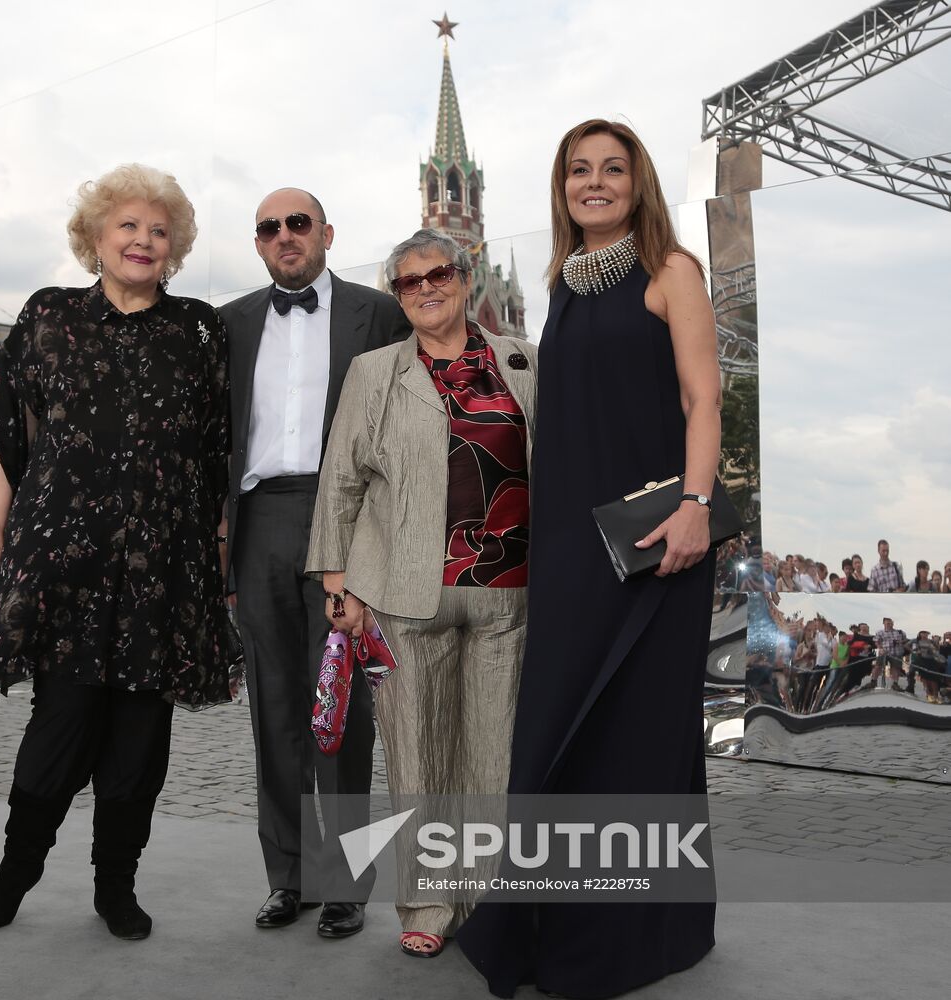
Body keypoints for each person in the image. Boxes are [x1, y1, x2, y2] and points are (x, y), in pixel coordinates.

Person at [458, 119, 721, 998]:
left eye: (613, 169)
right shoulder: (560, 286)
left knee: (641, 734)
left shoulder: (671, 272)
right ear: (562, 185)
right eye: (579, 170)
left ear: (637, 182)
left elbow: (701, 397)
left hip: (656, 541)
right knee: (555, 728)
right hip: (573, 544)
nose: (595, 183)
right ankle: (545, 921)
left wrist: (694, 507)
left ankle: (627, 938)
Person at [0, 163, 235, 941]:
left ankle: (117, 888)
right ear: (95, 238)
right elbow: (2, 431)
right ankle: (15, 874)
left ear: (173, 248)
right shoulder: (48, 316)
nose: (144, 240)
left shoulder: (198, 329)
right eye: (128, 227)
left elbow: (215, 457)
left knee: (140, 737)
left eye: (159, 230)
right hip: (62, 565)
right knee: (60, 727)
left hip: (162, 570)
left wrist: (213, 562)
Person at [306, 229, 537, 957]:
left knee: (491, 759)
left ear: (465, 279)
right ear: (397, 295)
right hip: (405, 592)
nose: (426, 288)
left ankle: (486, 905)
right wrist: (336, 580)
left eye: (438, 274)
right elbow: (340, 479)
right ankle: (429, 907)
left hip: (508, 593)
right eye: (408, 282)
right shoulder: (374, 372)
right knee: (417, 756)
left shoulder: (523, 362)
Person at [218, 188, 411, 938]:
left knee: (341, 708)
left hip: (346, 522)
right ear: (258, 244)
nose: (284, 236)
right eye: (268, 228)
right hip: (261, 519)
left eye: (297, 224)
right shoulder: (229, 324)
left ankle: (345, 884)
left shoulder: (379, 314)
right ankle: (286, 878)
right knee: (273, 707)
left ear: (326, 232)